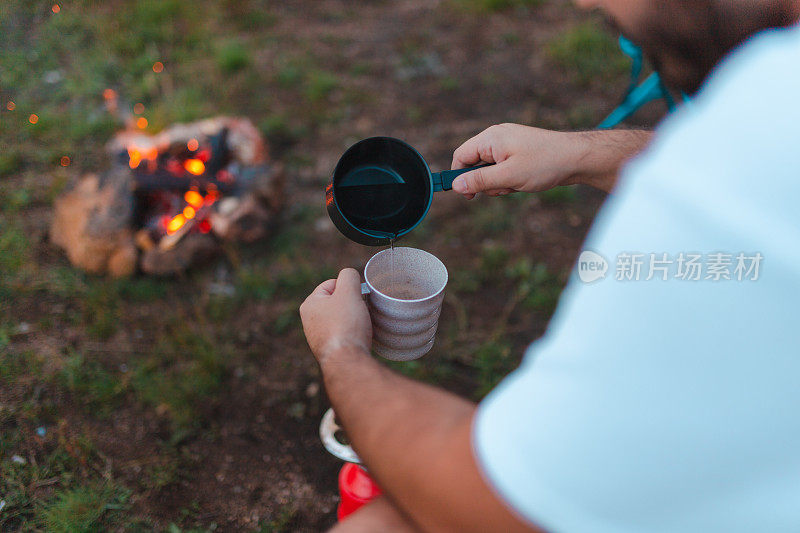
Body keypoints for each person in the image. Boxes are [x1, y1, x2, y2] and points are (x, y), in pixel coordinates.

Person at [300, 0, 800, 530]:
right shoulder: (769, 107)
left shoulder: (736, 166)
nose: (585, 3)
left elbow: (494, 507)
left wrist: (342, 353)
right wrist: (584, 154)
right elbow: (723, 163)